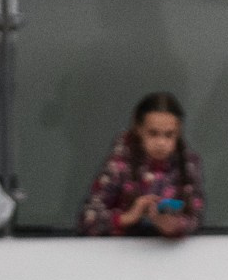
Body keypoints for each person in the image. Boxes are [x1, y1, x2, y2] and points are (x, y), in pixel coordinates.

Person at [76, 92, 204, 238]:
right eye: (153, 133)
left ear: (179, 133)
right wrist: (129, 217)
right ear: (139, 129)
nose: (161, 143)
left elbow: (196, 215)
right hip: (120, 254)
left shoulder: (188, 165)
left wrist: (174, 225)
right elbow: (87, 220)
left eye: (169, 135)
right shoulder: (120, 164)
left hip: (172, 256)